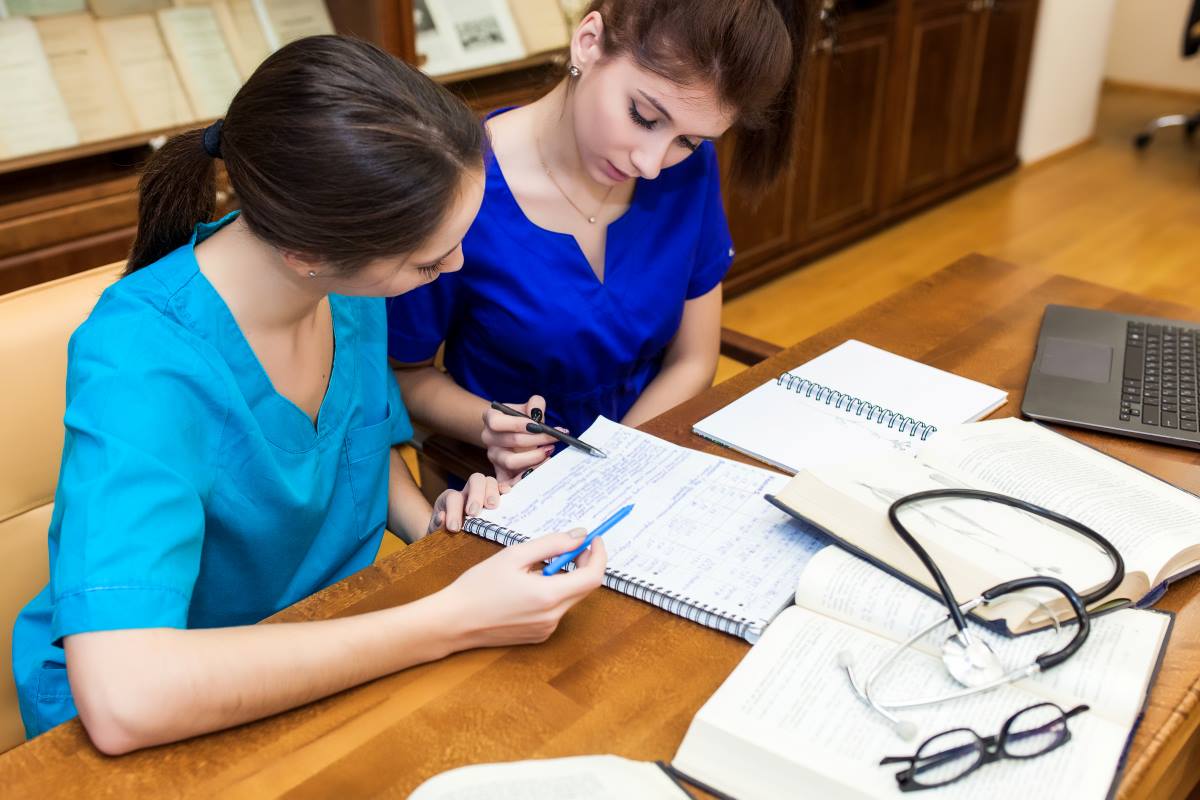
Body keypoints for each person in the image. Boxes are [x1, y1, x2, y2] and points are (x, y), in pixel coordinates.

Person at [11, 36, 606, 754]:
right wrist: (451, 617)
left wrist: (441, 529)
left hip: (324, 647)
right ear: (308, 252)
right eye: (426, 261)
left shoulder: (343, 283)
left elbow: (358, 447)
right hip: (167, 717)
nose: (453, 267)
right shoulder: (141, 359)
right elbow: (127, 697)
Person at [388, 0, 816, 483]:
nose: (652, 163)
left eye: (688, 140)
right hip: (498, 484)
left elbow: (693, 358)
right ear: (588, 42)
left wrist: (616, 462)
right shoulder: (461, 190)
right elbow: (405, 374)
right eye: (644, 116)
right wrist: (489, 424)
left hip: (643, 458)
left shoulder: (690, 172)